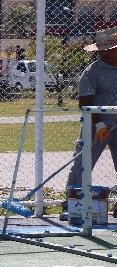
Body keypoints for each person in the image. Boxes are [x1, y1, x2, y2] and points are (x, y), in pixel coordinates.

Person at [60, 27, 117, 221]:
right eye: (100, 49)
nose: (102, 53)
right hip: (97, 126)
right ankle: (71, 204)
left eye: (106, 49)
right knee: (82, 165)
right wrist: (99, 126)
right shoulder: (92, 71)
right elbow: (84, 102)